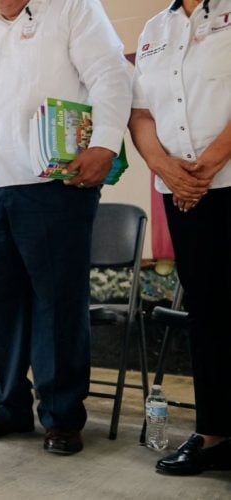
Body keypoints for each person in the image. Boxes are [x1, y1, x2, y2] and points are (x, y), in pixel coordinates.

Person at [0, 0, 132, 455]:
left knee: (56, 301)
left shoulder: (74, 9)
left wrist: (107, 143)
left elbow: (109, 74)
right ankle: (8, 406)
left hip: (55, 184)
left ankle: (61, 415)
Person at [129, 0, 231, 475]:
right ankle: (214, 434)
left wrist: (206, 166)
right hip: (182, 191)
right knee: (207, 312)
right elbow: (142, 112)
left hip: (222, 180)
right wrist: (165, 167)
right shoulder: (155, 26)